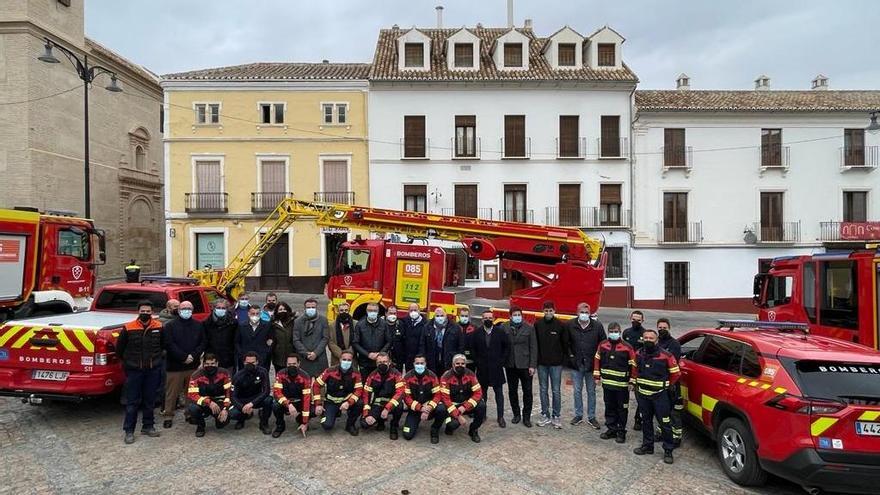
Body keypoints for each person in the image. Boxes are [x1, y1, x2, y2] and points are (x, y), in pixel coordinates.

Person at [116, 301, 164, 444]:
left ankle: (148, 426)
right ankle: (129, 431)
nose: (145, 313)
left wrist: (157, 362)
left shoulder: (159, 327)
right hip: (134, 371)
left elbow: (163, 345)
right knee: (132, 402)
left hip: (152, 370)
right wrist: (129, 364)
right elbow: (120, 349)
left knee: (150, 400)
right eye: (143, 310)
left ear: (152, 312)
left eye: (148, 311)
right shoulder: (128, 327)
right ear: (138, 311)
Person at [633, 328, 680, 464]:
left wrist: (666, 385)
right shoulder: (638, 354)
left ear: (657, 340)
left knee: (665, 423)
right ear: (643, 339)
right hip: (643, 395)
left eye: (651, 338)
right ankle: (647, 446)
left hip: (660, 396)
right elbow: (635, 370)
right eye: (645, 338)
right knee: (646, 421)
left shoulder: (666, 356)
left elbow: (676, 374)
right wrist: (636, 385)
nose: (648, 340)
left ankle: (668, 450)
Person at [162, 300, 206, 428]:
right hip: (175, 366)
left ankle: (189, 413)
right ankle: (168, 415)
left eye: (189, 308)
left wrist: (194, 355)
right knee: (171, 393)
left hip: (192, 365)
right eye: (183, 308)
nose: (186, 310)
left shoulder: (198, 325)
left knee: (190, 392)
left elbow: (202, 342)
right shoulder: (170, 325)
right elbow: (169, 344)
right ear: (179, 310)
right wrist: (183, 357)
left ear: (192, 310)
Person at [594, 322, 637, 443]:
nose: (614, 333)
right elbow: (597, 359)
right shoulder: (602, 345)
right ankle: (611, 429)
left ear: (620, 332)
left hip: (622, 386)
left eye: (616, 331)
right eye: (611, 331)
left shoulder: (627, 347)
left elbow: (633, 365)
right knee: (609, 407)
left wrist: (632, 382)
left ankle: (621, 431)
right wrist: (596, 376)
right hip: (607, 384)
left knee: (622, 409)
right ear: (608, 332)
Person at [566, 302, 606, 429]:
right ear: (577, 313)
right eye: (582, 312)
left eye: (586, 312)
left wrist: (598, 362)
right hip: (576, 365)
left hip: (591, 365)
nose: (584, 314)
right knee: (577, 391)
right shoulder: (570, 325)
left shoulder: (597, 326)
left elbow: (603, 344)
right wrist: (571, 357)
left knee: (591, 391)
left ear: (590, 313)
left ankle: (592, 417)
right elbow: (566, 343)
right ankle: (578, 415)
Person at [471, 309, 510, 427]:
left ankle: (500, 417)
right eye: (485, 318)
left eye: (490, 318)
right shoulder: (476, 333)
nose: (488, 320)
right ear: (482, 319)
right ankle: (482, 415)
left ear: (493, 319)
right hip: (482, 369)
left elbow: (507, 347)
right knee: (483, 395)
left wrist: (501, 361)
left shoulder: (500, 332)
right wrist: (477, 362)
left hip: (496, 368)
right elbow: (473, 349)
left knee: (499, 394)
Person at [312, 349, 364, 436]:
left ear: (352, 361)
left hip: (346, 401)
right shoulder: (329, 371)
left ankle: (350, 425)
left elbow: (359, 390)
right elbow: (316, 385)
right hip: (331, 402)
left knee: (360, 403)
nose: (346, 362)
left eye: (349, 360)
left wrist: (349, 402)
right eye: (344, 359)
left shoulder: (356, 373)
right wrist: (318, 404)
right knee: (327, 425)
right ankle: (332, 413)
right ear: (340, 360)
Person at [535, 301, 568, 429]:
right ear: (543, 311)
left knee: (556, 390)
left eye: (551, 311)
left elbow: (565, 344)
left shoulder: (560, 325)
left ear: (554, 311)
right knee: (543, 390)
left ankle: (556, 416)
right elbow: (535, 344)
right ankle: (545, 414)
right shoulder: (538, 325)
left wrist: (563, 362)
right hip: (542, 364)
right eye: (546, 311)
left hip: (556, 365)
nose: (548, 313)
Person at [503, 306, 537, 428]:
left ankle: (526, 417)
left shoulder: (529, 328)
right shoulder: (504, 327)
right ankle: (516, 414)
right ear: (510, 316)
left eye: (519, 315)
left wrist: (532, 365)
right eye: (515, 315)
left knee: (527, 391)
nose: (517, 317)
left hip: (525, 365)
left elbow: (533, 347)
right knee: (512, 391)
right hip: (510, 364)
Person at [401, 355, 447, 444]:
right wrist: (421, 408)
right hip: (415, 409)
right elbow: (407, 398)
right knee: (407, 435)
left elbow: (437, 395)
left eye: (422, 363)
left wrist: (429, 407)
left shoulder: (432, 376)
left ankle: (435, 429)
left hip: (430, 407)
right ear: (413, 364)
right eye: (417, 363)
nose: (419, 365)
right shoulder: (407, 377)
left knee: (442, 409)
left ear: (425, 364)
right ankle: (415, 423)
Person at [440, 354, 486, 443]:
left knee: (482, 406)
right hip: (452, 407)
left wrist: (465, 406)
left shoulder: (471, 374)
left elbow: (478, 393)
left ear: (465, 364)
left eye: (462, 363)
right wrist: (458, 415)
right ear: (453, 365)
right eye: (457, 363)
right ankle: (449, 426)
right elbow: (445, 399)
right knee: (452, 424)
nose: (460, 365)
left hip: (466, 405)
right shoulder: (445, 377)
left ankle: (473, 430)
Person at [360, 352, 404, 440]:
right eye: (380, 362)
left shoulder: (396, 374)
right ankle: (380, 422)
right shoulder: (372, 375)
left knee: (399, 406)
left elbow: (400, 392)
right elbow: (366, 395)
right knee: (364, 424)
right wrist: (366, 414)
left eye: (385, 362)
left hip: (392, 403)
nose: (382, 364)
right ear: (376, 363)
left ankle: (394, 426)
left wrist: (387, 408)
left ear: (389, 362)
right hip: (378, 404)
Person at [186, 353, 231, 437]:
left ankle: (217, 417)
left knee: (222, 423)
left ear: (217, 363)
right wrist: (208, 402)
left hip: (219, 401)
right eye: (207, 364)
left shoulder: (224, 373)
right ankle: (200, 425)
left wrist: (225, 409)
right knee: (192, 408)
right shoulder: (196, 375)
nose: (210, 366)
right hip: (204, 402)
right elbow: (192, 394)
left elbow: (229, 393)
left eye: (212, 364)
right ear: (203, 364)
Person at [229, 352, 274, 434]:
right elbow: (232, 396)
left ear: (257, 362)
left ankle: (264, 423)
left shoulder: (263, 372)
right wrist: (242, 406)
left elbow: (266, 391)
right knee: (232, 414)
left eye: (253, 362)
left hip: (256, 398)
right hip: (242, 400)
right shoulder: (238, 376)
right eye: (248, 363)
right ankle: (242, 419)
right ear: (244, 362)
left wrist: (252, 404)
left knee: (268, 400)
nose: (250, 365)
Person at [271, 353, 312, 438]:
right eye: (289, 364)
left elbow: (306, 398)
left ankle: (301, 421)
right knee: (275, 405)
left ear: (299, 364)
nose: (291, 366)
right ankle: (280, 426)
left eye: (294, 364)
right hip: (286, 402)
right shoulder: (280, 374)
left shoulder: (305, 376)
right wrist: (288, 404)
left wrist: (305, 422)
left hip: (299, 401)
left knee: (313, 410)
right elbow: (277, 392)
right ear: (286, 364)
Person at [656, 317, 683, 447]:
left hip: (672, 383)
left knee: (674, 412)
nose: (662, 330)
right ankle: (662, 432)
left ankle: (676, 437)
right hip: (659, 382)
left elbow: (672, 364)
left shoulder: (674, 344)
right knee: (662, 410)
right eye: (660, 328)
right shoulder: (656, 342)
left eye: (664, 328)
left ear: (669, 328)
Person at [352, 302, 391, 378]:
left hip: (380, 361)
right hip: (364, 361)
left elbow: (389, 341)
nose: (372, 312)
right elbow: (355, 343)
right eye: (370, 310)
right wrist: (368, 354)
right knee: (365, 384)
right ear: (366, 311)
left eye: (374, 310)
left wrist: (380, 353)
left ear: (378, 312)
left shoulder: (384, 324)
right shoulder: (360, 325)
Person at [292, 298, 330, 377]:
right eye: (308, 307)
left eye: (313, 307)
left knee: (320, 384)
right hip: (304, 359)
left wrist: (316, 353)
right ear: (304, 308)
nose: (311, 309)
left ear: (316, 308)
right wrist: (306, 353)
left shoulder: (323, 320)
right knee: (304, 383)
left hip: (320, 358)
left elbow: (325, 338)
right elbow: (296, 340)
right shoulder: (298, 321)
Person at [420, 307, 463, 375]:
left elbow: (460, 346)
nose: (440, 318)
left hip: (449, 362)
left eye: (442, 315)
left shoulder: (455, 327)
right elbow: (422, 345)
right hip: (431, 362)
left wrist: (457, 360)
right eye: (437, 316)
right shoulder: (427, 327)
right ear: (434, 316)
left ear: (446, 315)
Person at [623, 311, 646, 430]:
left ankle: (638, 419)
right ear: (630, 318)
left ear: (643, 321)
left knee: (640, 397)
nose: (635, 322)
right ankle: (621, 418)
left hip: (640, 370)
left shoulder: (645, 334)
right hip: (625, 369)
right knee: (623, 396)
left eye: (638, 320)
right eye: (634, 319)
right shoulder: (626, 332)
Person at [203, 299, 238, 370]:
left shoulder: (233, 323)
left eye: (223, 308)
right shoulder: (206, 323)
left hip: (228, 360)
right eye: (218, 308)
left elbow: (236, 341)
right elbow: (204, 341)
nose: (221, 310)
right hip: (211, 360)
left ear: (227, 309)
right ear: (213, 308)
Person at [397, 303, 427, 372]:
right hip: (408, 358)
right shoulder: (404, 322)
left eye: (415, 310)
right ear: (408, 311)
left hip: (420, 357)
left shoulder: (426, 324)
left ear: (419, 311)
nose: (413, 312)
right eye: (411, 310)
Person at [271, 302, 296, 372]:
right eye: (280, 309)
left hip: (292, 356)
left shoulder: (293, 322)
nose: (282, 311)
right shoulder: (273, 323)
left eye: (284, 309)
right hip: (278, 357)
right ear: (277, 311)